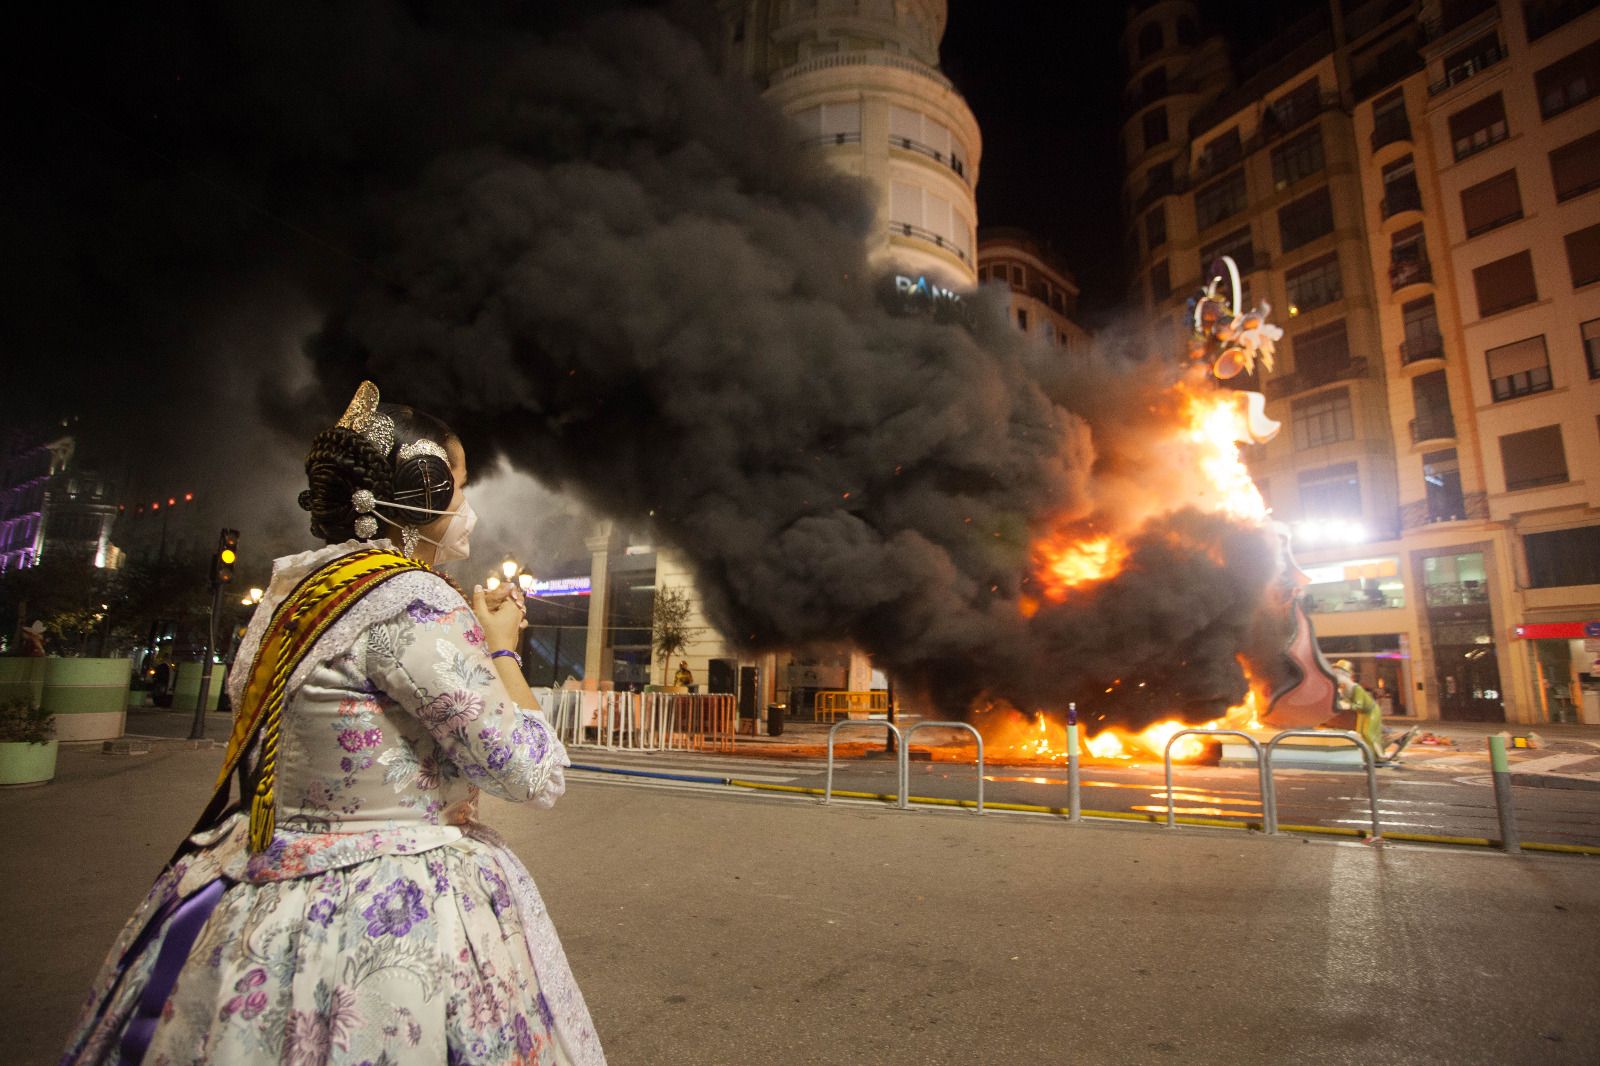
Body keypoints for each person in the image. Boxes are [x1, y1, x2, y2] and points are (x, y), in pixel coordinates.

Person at [63, 382, 604, 1065]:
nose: (466, 507)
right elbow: (531, 772)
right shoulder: (413, 604)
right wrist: (499, 646)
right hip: (380, 907)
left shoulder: (298, 588)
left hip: (262, 883)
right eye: (459, 486)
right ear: (422, 490)